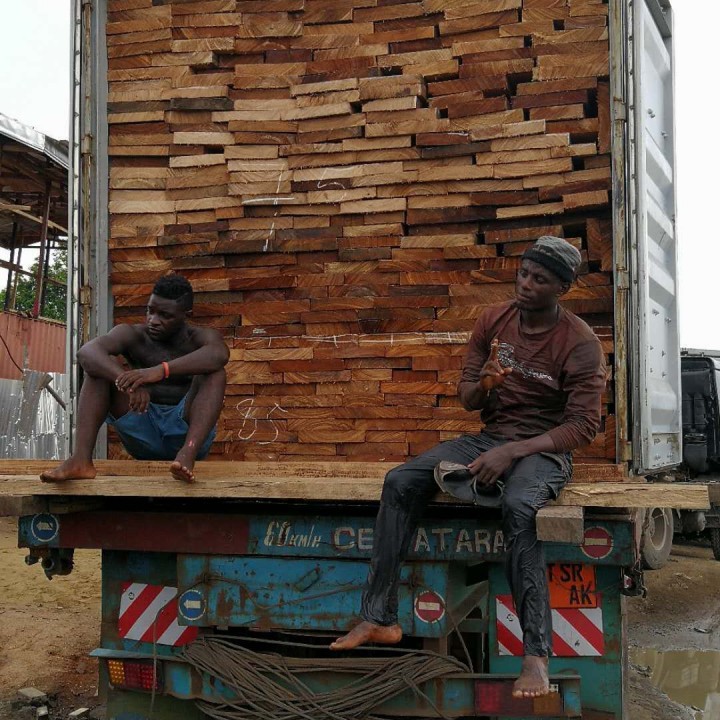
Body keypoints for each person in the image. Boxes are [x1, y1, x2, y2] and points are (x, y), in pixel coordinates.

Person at [330, 236, 607, 699]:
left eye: (540, 279)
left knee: (520, 506)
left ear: (563, 288)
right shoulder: (493, 320)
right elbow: (467, 399)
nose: (526, 284)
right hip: (489, 437)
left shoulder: (580, 343)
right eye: (523, 273)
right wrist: (484, 385)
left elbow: (583, 426)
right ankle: (379, 618)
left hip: (543, 450)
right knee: (400, 482)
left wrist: (513, 452)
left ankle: (535, 657)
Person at [41, 274, 229, 483]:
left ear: (186, 315)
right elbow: (86, 352)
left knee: (215, 373)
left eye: (165, 315)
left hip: (184, 434)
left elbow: (219, 355)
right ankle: (80, 461)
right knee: (98, 370)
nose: (153, 320)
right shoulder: (133, 334)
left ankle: (187, 455)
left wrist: (161, 370)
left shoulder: (200, 338)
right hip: (142, 430)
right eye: (150, 311)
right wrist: (128, 383)